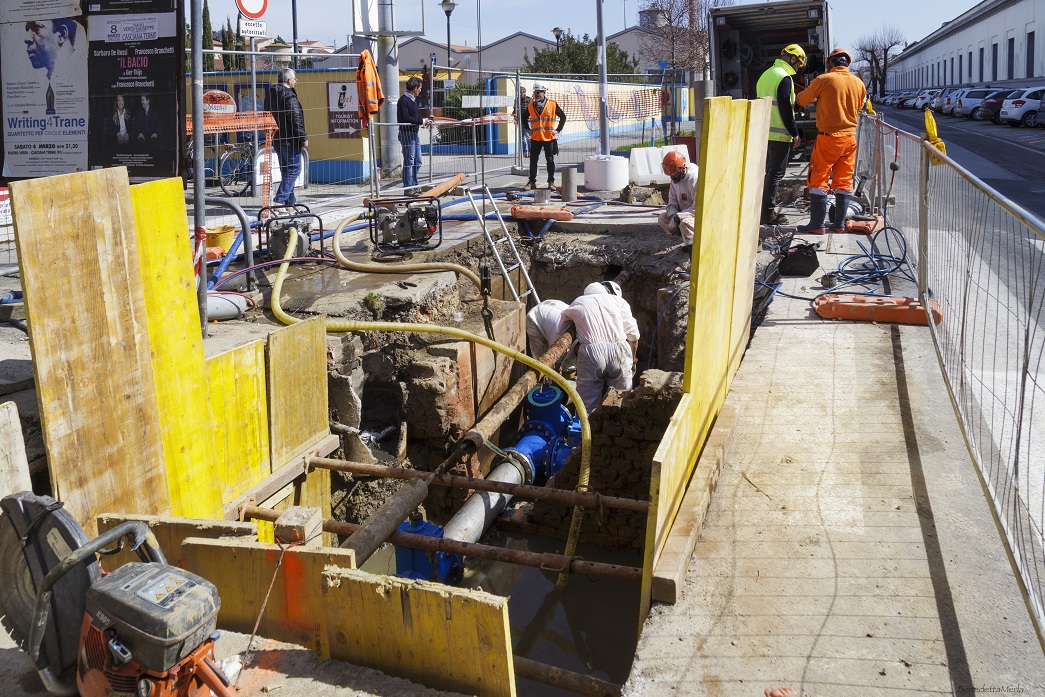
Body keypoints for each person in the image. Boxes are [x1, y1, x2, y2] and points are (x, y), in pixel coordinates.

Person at [795, 47, 866, 234]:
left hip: (828, 140)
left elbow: (802, 100)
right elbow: (859, 106)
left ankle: (817, 225)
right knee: (843, 181)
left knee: (818, 179)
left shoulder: (824, 79)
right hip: (849, 139)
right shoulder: (859, 83)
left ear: (830, 63)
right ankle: (839, 224)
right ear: (847, 64)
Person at [556, 281, 639, 413]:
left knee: (586, 405)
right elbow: (633, 336)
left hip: (591, 352)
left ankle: (587, 430)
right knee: (622, 398)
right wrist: (631, 359)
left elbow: (560, 328)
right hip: (620, 349)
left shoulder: (579, 301)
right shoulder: (618, 301)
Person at [756, 44, 806, 226]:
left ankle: (761, 208)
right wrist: (794, 132)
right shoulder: (784, 78)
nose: (798, 68)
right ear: (793, 59)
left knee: (767, 172)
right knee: (775, 173)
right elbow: (785, 108)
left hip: (764, 132)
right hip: (779, 135)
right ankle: (768, 212)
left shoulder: (766, 75)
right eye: (798, 64)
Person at [267, 67, 309, 206]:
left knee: (286, 171)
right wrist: (303, 137)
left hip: (277, 138)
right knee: (294, 170)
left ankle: (290, 203)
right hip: (290, 140)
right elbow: (295, 118)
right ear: (289, 80)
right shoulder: (289, 95)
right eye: (295, 79)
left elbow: (266, 114)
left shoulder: (271, 94)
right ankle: (280, 200)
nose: (296, 82)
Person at [521, 82, 566, 191]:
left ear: (544, 92)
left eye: (539, 92)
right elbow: (524, 117)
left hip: (548, 138)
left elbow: (563, 117)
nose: (536, 94)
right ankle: (532, 182)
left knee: (550, 160)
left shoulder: (552, 104)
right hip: (536, 138)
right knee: (533, 161)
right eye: (535, 92)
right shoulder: (531, 105)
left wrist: (558, 130)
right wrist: (527, 128)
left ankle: (551, 182)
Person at [657, 151, 699, 249]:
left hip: (696, 216)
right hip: (682, 214)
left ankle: (692, 248)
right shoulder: (675, 178)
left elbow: (697, 209)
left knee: (686, 223)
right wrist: (672, 214)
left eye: (674, 175)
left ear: (682, 168)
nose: (672, 177)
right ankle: (685, 239)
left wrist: (678, 217)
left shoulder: (694, 179)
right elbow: (672, 200)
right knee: (662, 219)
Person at [398, 76, 431, 195]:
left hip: (414, 133)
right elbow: (406, 117)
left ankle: (415, 185)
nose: (420, 90)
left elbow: (415, 116)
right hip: (407, 133)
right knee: (409, 161)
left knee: (418, 160)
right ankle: (408, 187)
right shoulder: (403, 100)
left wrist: (424, 120)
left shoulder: (412, 100)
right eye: (420, 88)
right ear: (415, 88)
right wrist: (421, 121)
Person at [24, 19, 82, 83]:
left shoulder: (82, 74)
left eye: (36, 28)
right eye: (28, 30)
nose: (26, 39)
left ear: (62, 35)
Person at [517, 87, 531, 157]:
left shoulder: (529, 99)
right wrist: (515, 117)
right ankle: (524, 152)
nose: (522, 93)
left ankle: (530, 151)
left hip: (528, 121)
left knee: (528, 136)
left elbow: (532, 109)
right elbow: (515, 110)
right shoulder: (517, 100)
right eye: (520, 92)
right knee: (522, 137)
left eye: (523, 92)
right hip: (521, 121)